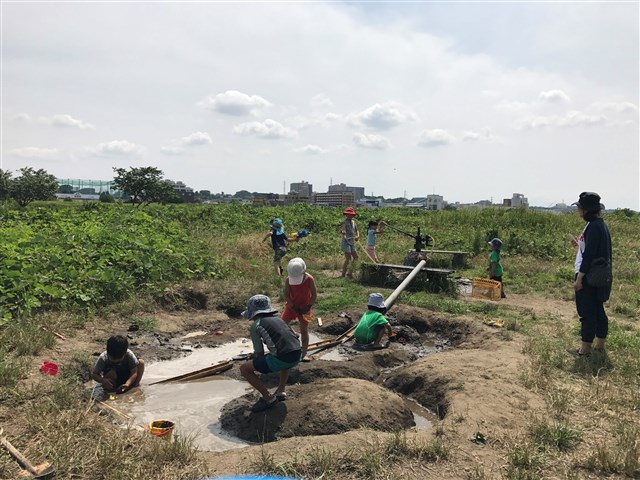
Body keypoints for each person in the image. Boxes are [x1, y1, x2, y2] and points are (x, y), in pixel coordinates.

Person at [239, 294, 302, 412]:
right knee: (283, 352)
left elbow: (259, 353)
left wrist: (253, 360)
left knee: (244, 369)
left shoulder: (256, 325)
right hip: (297, 354)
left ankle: (268, 398)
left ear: (253, 314)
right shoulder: (280, 319)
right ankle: (281, 390)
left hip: (283, 358)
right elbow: (294, 337)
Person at [570, 192, 612, 357]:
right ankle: (599, 344)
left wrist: (580, 278)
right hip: (599, 275)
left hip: (589, 276)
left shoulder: (593, 227)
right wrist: (579, 243)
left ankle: (584, 348)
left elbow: (589, 256)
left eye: (579, 207)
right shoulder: (599, 225)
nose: (578, 211)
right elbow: (592, 249)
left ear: (586, 209)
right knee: (597, 309)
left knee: (587, 311)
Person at [281, 257, 317, 362]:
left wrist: (309, 306)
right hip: (291, 307)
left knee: (304, 330)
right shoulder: (288, 280)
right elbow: (286, 295)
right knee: (283, 324)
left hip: (305, 308)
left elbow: (314, 294)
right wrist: (293, 306)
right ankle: (293, 334)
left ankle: (304, 353)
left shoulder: (309, 279)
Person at [340, 207, 359, 277]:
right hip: (346, 241)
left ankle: (350, 273)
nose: (349, 216)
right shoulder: (344, 222)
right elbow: (343, 230)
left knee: (356, 257)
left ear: (353, 215)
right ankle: (343, 274)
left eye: (351, 214)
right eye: (348, 214)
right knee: (348, 258)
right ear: (346, 215)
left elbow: (357, 230)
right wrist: (344, 233)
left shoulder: (354, 222)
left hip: (352, 242)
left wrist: (357, 236)